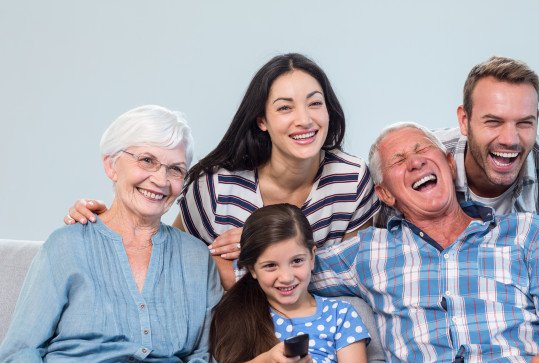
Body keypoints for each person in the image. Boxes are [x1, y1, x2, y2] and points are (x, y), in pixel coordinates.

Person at [310, 122, 539, 363]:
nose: (415, 162)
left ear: (450, 166)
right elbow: (282, 265)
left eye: (422, 149)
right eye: (398, 161)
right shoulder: (367, 251)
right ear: (385, 194)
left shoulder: (529, 232)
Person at [63, 53, 380, 288]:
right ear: (261, 120)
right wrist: (112, 223)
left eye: (315, 103)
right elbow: (169, 256)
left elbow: (357, 274)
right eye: (285, 107)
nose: (305, 120)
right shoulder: (217, 186)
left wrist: (264, 247)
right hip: (233, 334)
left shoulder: (351, 180)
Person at [0, 105, 230, 363]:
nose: (161, 180)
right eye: (147, 160)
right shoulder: (66, 245)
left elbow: (211, 348)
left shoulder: (195, 257)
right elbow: (20, 349)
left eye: (175, 169)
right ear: (111, 165)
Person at [209, 204, 371, 363]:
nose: (286, 277)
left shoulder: (340, 313)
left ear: (312, 257)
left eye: (296, 261)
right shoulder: (243, 311)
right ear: (252, 269)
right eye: (270, 266)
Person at [434, 56, 539, 242]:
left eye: (524, 123)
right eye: (494, 122)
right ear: (464, 121)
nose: (510, 140)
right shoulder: (420, 161)